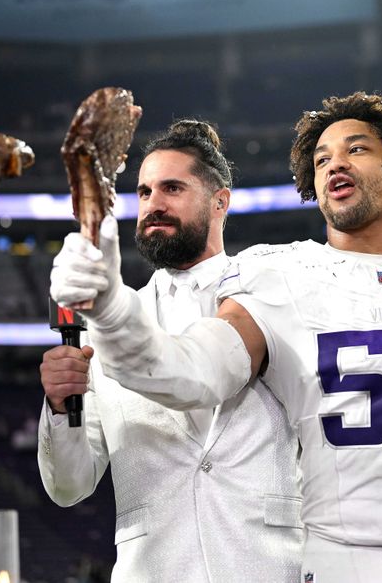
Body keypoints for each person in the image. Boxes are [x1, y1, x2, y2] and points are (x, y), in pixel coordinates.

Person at [50, 93, 382, 582]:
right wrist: (112, 306)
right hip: (337, 560)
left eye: (356, 149)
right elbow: (190, 374)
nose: (335, 161)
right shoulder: (281, 276)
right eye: (321, 159)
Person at [38, 120, 303, 582]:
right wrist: (60, 406)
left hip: (270, 565)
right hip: (154, 568)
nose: (153, 205)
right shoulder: (100, 329)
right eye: (143, 192)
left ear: (220, 200)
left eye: (172, 188)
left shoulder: (272, 290)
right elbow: (69, 486)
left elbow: (195, 378)